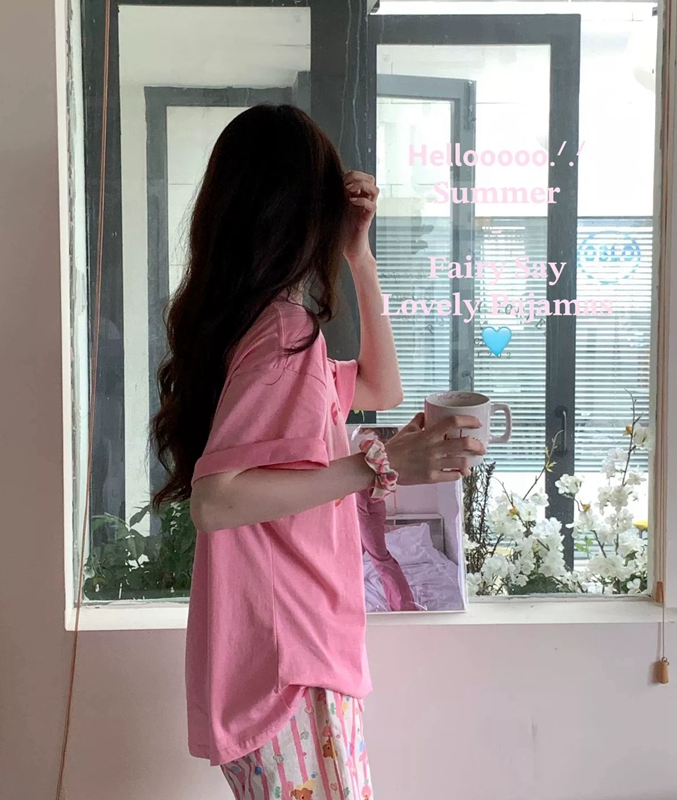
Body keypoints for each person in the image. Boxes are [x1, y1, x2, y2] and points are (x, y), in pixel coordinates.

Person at [150, 104, 484, 800]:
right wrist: (374, 468)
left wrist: (360, 258)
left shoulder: (256, 329)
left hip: (286, 659)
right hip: (292, 666)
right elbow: (216, 502)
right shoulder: (282, 336)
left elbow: (382, 387)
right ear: (304, 213)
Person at [355, 427, 422, 612]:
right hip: (366, 510)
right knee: (356, 555)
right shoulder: (379, 459)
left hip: (367, 512)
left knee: (381, 559)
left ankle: (405, 606)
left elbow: (363, 490)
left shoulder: (375, 456)